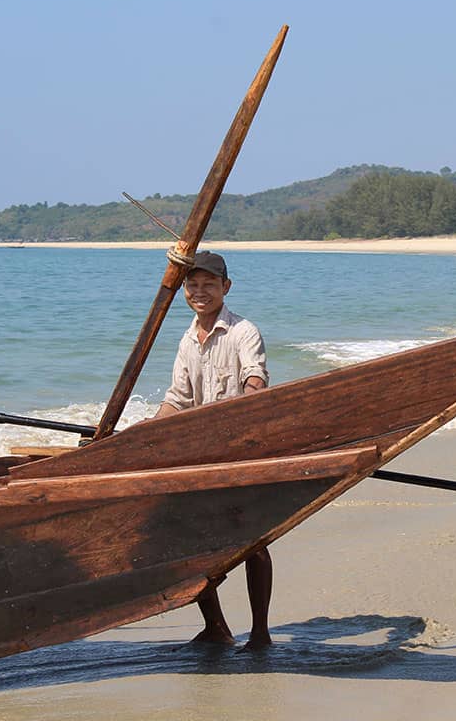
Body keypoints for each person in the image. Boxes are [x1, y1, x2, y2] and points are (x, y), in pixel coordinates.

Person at [155, 251, 273, 648]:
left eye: (209, 284)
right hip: (201, 454)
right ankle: (217, 628)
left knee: (254, 543)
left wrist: (244, 405)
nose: (200, 292)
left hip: (241, 450)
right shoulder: (188, 339)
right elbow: (178, 398)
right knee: (195, 542)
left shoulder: (243, 332)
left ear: (226, 287)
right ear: (185, 291)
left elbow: (255, 378)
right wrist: (147, 432)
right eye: (193, 285)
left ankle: (260, 632)